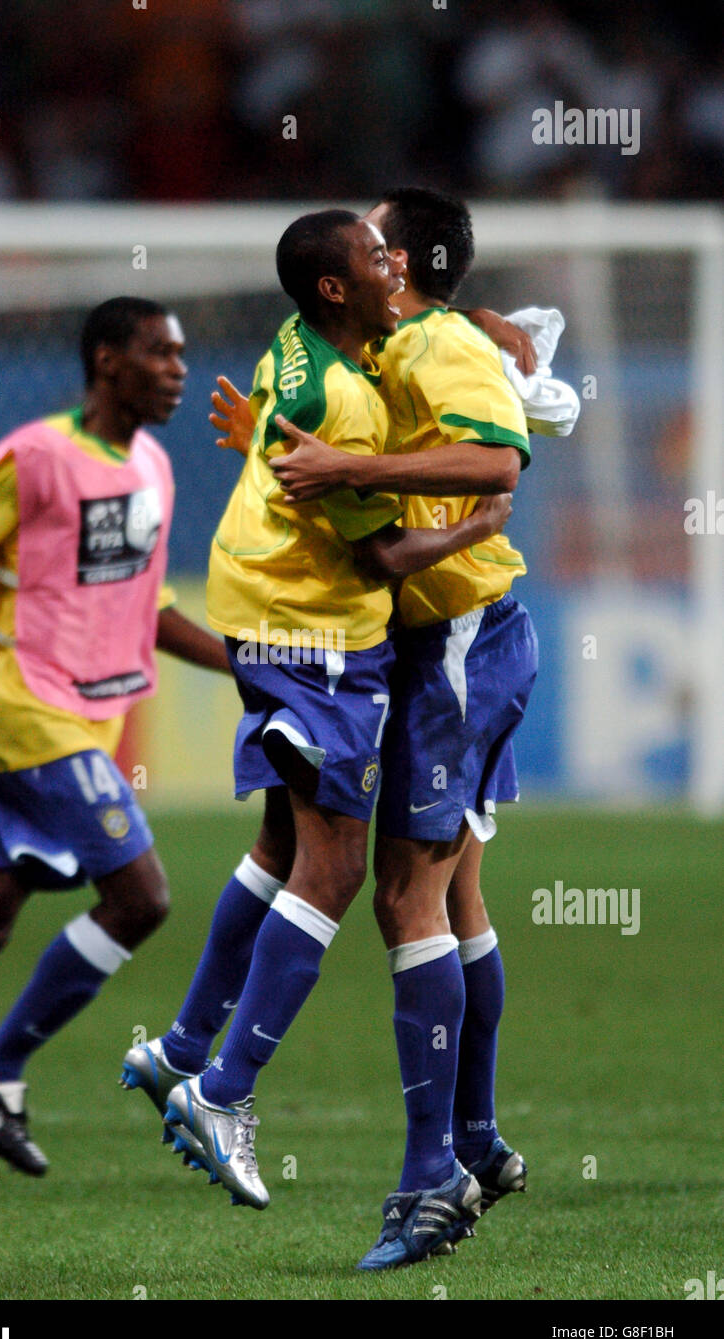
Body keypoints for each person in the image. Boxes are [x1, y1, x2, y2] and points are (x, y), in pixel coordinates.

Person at [120, 209, 512, 1218]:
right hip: (322, 636)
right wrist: (473, 522)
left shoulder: (302, 344)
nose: (394, 265)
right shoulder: (343, 404)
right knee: (340, 870)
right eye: (374, 256)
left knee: (278, 843)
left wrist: (495, 331)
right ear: (335, 287)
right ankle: (224, 1092)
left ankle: (178, 1048)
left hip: (262, 616)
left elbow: (413, 343)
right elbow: (384, 553)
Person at [0, 296, 229, 1200]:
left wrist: (244, 668)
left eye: (181, 354)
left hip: (87, 720)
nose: (180, 369)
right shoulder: (35, 456)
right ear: (108, 360)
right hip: (22, 709)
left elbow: (147, 606)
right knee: (141, 896)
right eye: (161, 353)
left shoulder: (151, 465)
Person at [271, 187, 553, 1268]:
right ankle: (473, 1142)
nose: (357, 249)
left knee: (404, 896)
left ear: (401, 263)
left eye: (373, 239)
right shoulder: (421, 338)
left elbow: (496, 467)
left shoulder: (434, 345)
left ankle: (429, 1180)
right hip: (461, 640)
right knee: (454, 891)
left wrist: (352, 470)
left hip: (455, 648)